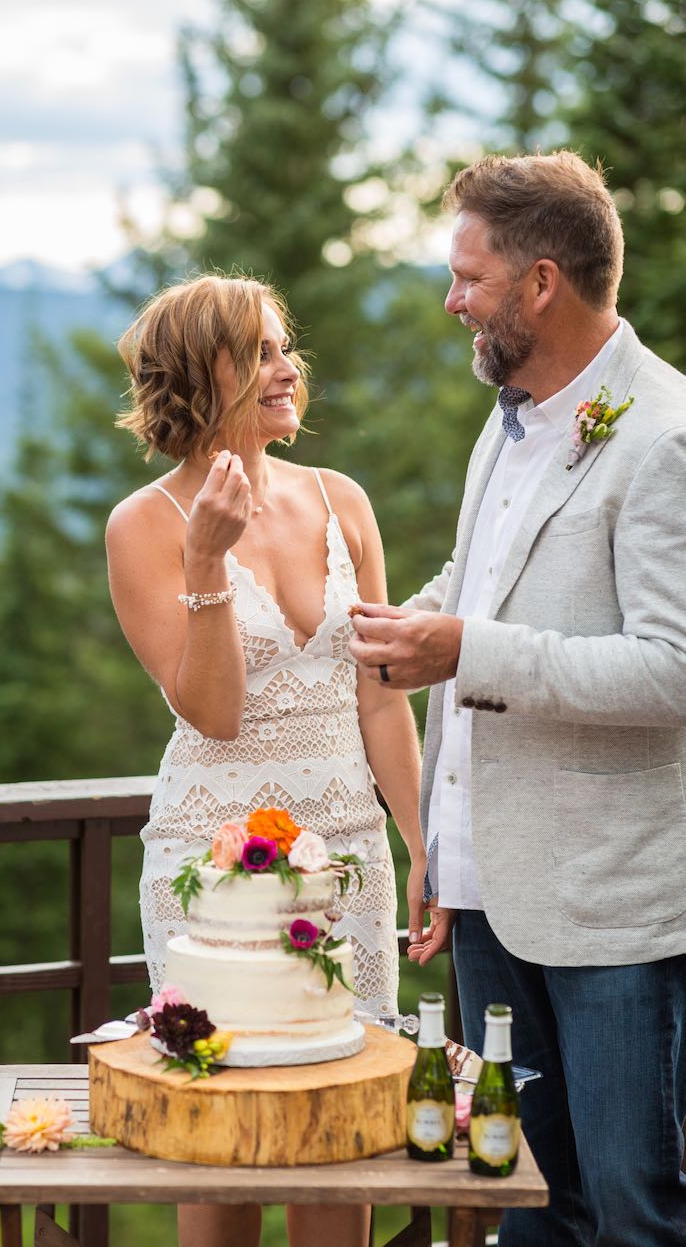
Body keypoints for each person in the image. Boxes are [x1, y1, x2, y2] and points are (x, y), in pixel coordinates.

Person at [350, 150, 686, 1246]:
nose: (450, 301)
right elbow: (477, 588)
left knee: (632, 1211)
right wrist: (410, 625)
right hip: (487, 892)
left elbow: (669, 668)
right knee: (523, 1202)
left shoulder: (662, 435)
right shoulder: (506, 420)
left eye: (467, 277)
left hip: (611, 911)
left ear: (540, 282)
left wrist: (468, 648)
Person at [106, 274, 423, 1247]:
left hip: (348, 859)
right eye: (263, 353)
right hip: (212, 864)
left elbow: (379, 697)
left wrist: (423, 849)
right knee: (223, 1128)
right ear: (207, 374)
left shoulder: (342, 500)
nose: (290, 371)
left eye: (288, 348)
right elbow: (215, 711)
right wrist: (205, 565)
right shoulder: (142, 524)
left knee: (340, 1132)